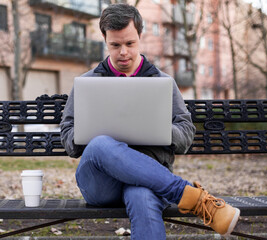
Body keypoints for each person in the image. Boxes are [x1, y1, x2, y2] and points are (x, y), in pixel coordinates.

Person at [60, 3, 240, 240]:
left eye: (130, 43)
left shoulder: (162, 82)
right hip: (102, 183)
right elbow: (68, 136)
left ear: (140, 37)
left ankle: (192, 198)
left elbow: (186, 133)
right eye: (115, 45)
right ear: (105, 39)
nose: (123, 52)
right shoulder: (87, 83)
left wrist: (155, 129)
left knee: (142, 196)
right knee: (100, 144)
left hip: (150, 180)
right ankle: (193, 198)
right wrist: (90, 132)